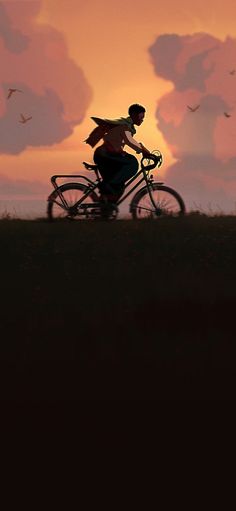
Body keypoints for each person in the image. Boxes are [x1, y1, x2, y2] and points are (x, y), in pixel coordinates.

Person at [84, 103, 152, 202]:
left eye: (143, 118)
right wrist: (143, 150)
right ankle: (106, 185)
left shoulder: (127, 126)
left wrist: (142, 149)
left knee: (118, 187)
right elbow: (129, 140)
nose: (142, 120)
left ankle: (106, 209)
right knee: (132, 162)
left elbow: (124, 142)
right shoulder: (124, 125)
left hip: (106, 155)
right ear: (133, 115)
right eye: (141, 117)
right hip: (105, 155)